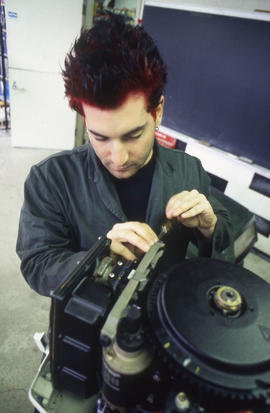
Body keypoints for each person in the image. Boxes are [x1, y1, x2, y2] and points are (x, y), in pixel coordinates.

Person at [16, 13, 233, 297]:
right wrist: (94, 259)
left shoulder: (189, 170)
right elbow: (36, 264)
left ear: (157, 112)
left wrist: (210, 226)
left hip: (168, 318)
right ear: (84, 118)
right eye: (100, 137)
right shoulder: (50, 180)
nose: (118, 158)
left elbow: (224, 237)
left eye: (133, 135)